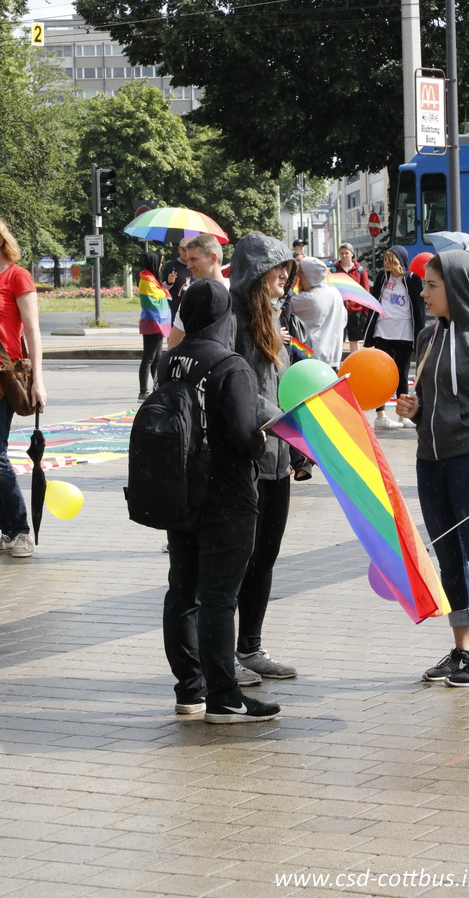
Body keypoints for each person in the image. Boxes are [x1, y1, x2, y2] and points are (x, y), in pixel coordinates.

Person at [159, 279, 281, 723]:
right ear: (223, 318)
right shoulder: (231, 366)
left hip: (180, 491)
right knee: (217, 599)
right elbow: (245, 436)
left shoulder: (168, 360)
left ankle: (189, 689)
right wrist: (265, 438)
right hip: (227, 496)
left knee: (182, 592)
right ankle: (225, 698)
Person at [396, 249, 469, 687]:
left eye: (431, 285)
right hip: (430, 461)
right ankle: (464, 649)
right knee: (448, 557)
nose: (423, 294)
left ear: (458, 288)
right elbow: (431, 406)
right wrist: (415, 413)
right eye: (424, 285)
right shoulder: (428, 337)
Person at [230, 233, 298, 684]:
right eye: (277, 268)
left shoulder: (274, 317)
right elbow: (236, 387)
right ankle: (224, 655)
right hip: (245, 459)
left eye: (287, 269)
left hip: (278, 459)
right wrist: (281, 421)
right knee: (238, 559)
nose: (284, 276)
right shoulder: (232, 320)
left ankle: (250, 648)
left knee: (266, 555)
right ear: (256, 272)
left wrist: (299, 446)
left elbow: (284, 385)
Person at [0, 216, 47, 559]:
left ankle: (19, 530)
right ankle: (8, 529)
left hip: (3, 379)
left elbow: (32, 331)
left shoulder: (17, 276)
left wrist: (38, 381)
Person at [364, 245, 425, 431]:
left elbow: (419, 310)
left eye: (390, 260)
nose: (386, 264)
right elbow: (374, 301)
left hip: (404, 333)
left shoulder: (412, 279)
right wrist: (369, 332)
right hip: (383, 332)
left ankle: (403, 415)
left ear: (400, 261)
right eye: (385, 260)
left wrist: (419, 336)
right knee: (381, 375)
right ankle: (380, 416)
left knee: (402, 374)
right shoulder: (382, 277)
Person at [168, 234, 227, 350]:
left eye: (193, 259)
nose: (189, 266)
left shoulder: (235, 292)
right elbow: (173, 345)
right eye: (188, 260)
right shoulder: (192, 295)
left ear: (213, 258)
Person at [291, 256, 347, 368]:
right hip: (333, 357)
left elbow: (284, 304)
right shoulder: (334, 292)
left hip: (312, 357)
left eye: (299, 273)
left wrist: (290, 282)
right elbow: (344, 320)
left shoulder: (309, 298)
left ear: (307, 275)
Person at [138, 251, 172, 401]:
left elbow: (159, 294)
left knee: (157, 359)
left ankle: (157, 388)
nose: (161, 264)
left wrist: (164, 289)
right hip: (153, 323)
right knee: (148, 359)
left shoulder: (151, 280)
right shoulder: (146, 280)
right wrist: (163, 293)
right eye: (160, 262)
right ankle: (143, 391)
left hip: (157, 324)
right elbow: (152, 302)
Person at [330, 242, 370, 352]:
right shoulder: (334, 270)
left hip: (355, 312)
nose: (344, 256)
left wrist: (365, 312)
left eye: (346, 253)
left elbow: (365, 291)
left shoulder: (360, 270)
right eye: (341, 253)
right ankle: (337, 362)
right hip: (339, 311)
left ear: (352, 254)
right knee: (338, 340)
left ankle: (355, 361)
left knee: (354, 341)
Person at [161, 239, 193, 321]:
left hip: (192, 309)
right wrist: (168, 282)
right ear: (179, 249)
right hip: (174, 310)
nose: (187, 253)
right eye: (184, 250)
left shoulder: (196, 265)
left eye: (190, 250)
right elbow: (161, 289)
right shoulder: (170, 266)